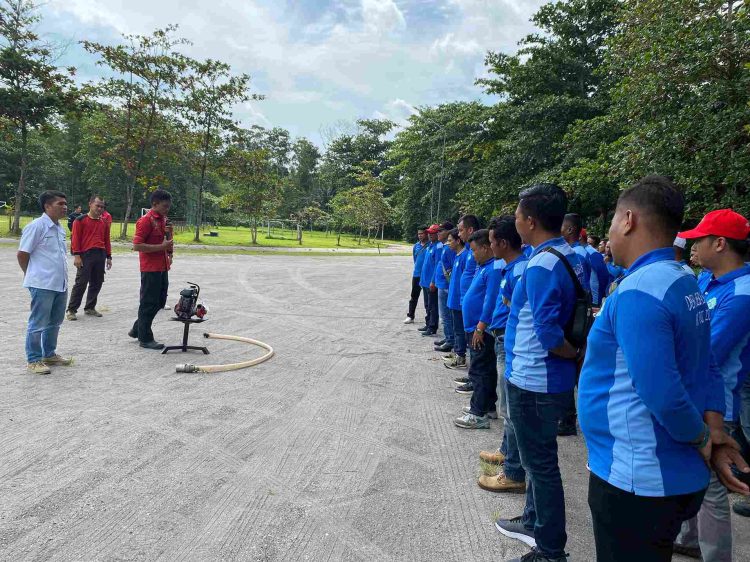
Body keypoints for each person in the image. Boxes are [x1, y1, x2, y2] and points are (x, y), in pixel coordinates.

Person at [578, 175, 749, 562]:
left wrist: (704, 440)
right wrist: (714, 433)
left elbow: (661, 391)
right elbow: (706, 365)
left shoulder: (642, 289)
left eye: (612, 221)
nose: (610, 233)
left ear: (628, 220)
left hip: (638, 477)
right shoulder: (683, 281)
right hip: (665, 474)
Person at [496, 183, 587, 562]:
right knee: (538, 460)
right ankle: (534, 521)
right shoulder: (567, 255)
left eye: (517, 214)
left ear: (530, 221)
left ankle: (550, 550)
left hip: (534, 380)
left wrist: (571, 353)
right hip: (544, 378)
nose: (515, 220)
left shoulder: (541, 264)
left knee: (541, 465)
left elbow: (549, 334)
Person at [673, 209, 750, 560]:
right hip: (694, 396)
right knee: (691, 477)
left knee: (712, 490)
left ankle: (716, 555)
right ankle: (690, 538)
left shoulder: (743, 294)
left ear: (719, 243)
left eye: (698, 239)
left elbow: (710, 350)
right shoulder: (706, 280)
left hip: (719, 404)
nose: (691, 245)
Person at [478, 215, 528, 494]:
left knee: (509, 408)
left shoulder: (520, 271)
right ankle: (506, 451)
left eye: (492, 241)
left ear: (504, 243)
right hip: (501, 340)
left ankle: (513, 472)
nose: (490, 246)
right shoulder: (512, 268)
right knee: (507, 406)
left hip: (508, 344)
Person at [17, 190, 73, 375]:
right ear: (47, 206)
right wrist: (31, 274)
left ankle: (49, 354)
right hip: (42, 284)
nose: (65, 207)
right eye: (60, 204)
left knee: (55, 322)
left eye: (65, 204)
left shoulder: (59, 228)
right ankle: (33, 359)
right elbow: (22, 254)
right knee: (38, 323)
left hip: (60, 283)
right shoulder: (36, 226)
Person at [455, 229, 502, 428]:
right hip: (473, 326)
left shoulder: (493, 269)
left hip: (480, 328)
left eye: (474, 250)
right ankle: (488, 406)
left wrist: (481, 327)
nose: (472, 254)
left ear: (485, 248)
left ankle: (478, 413)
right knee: (483, 367)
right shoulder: (483, 266)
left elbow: (491, 300)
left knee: (480, 369)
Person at [558, 213, 592, 436]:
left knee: (574, 365)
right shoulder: (572, 254)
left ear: (570, 229)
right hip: (576, 315)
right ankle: (568, 416)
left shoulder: (577, 255)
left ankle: (569, 419)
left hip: (576, 316)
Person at [128, 189, 174, 350]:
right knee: (148, 302)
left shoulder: (163, 219)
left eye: (168, 207)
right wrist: (161, 247)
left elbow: (167, 241)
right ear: (154, 204)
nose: (167, 209)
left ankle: (137, 328)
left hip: (162, 266)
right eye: (164, 206)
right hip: (150, 268)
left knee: (160, 301)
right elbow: (137, 245)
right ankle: (145, 338)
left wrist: (169, 252)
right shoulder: (145, 221)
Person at [66, 195, 112, 320]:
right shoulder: (80, 220)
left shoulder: (104, 222)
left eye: (102, 207)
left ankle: (90, 307)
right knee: (81, 282)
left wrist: (109, 256)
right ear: (90, 204)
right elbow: (75, 239)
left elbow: (107, 240)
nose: (100, 208)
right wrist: (77, 256)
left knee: (97, 282)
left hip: (100, 254)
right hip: (85, 255)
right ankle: (71, 310)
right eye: (97, 205)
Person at [450, 215, 480, 390]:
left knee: (475, 345)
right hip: (466, 304)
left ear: (470, 230)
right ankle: (472, 377)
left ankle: (476, 381)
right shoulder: (469, 250)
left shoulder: (475, 251)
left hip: (474, 309)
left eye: (461, 230)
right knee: (471, 344)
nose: (458, 233)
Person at [445, 228, 469, 371]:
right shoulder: (457, 256)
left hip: (459, 301)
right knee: (456, 328)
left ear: (458, 241)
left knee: (460, 330)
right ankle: (457, 351)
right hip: (453, 299)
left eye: (450, 240)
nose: (448, 244)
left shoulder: (466, 256)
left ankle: (460, 357)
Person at [433, 222, 456, 353]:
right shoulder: (444, 247)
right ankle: (448, 337)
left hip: (446, 285)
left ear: (448, 232)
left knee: (446, 315)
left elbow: (451, 269)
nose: (438, 233)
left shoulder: (448, 248)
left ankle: (450, 340)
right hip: (442, 283)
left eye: (441, 230)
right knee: (445, 315)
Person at [417, 224, 440, 336]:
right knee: (427, 304)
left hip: (431, 282)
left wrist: (433, 281)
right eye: (429, 233)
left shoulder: (438, 247)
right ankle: (428, 323)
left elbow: (437, 265)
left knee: (432, 305)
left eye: (433, 233)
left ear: (437, 234)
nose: (430, 235)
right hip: (425, 280)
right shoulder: (430, 245)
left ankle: (432, 326)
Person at [404, 226, 428, 324]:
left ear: (426, 234)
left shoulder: (430, 245)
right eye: (418, 234)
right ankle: (410, 316)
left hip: (427, 275)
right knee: (414, 296)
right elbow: (415, 259)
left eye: (421, 233)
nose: (420, 235)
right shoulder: (416, 246)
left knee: (428, 299)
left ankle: (429, 318)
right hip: (417, 274)